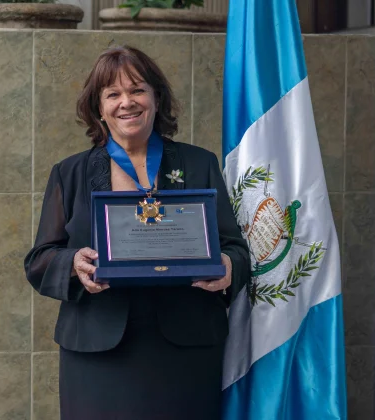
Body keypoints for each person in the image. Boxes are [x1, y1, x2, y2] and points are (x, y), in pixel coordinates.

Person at [24, 45, 250, 420]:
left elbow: (235, 249)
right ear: (99, 108)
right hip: (98, 353)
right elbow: (40, 258)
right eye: (113, 94)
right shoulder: (70, 173)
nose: (126, 102)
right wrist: (73, 263)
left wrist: (227, 266)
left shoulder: (199, 164)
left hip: (186, 351)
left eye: (137, 90)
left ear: (156, 98)